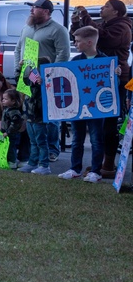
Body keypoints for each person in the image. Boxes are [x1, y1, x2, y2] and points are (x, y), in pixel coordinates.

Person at [71, 0, 132, 178]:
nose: (102, 8)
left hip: (114, 77)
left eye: (106, 6)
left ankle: (108, 162)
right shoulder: (105, 24)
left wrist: (85, 16)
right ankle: (97, 163)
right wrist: (76, 22)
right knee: (95, 120)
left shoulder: (123, 27)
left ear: (117, 12)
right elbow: (84, 35)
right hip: (94, 78)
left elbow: (103, 36)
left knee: (109, 122)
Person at [14, 0, 71, 163]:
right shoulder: (27, 28)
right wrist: (19, 70)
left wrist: (51, 75)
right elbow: (19, 49)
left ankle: (52, 149)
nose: (32, 10)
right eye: (31, 7)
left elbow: (63, 55)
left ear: (46, 11)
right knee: (30, 114)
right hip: (27, 77)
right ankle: (35, 149)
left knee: (50, 115)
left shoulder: (58, 30)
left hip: (47, 79)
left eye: (36, 7)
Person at [59, 26, 109, 181]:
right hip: (77, 107)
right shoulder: (75, 61)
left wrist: (116, 73)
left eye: (78, 41)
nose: (75, 43)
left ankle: (96, 171)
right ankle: (75, 169)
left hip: (96, 109)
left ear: (89, 42)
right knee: (76, 139)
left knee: (96, 139)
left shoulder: (104, 61)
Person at [0, 89, 27, 168]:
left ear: (13, 101)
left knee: (11, 147)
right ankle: (9, 160)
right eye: (3, 99)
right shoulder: (7, 109)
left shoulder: (14, 112)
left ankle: (12, 161)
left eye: (5, 99)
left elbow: (15, 124)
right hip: (7, 131)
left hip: (12, 133)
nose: (3, 100)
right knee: (8, 147)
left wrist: (8, 132)